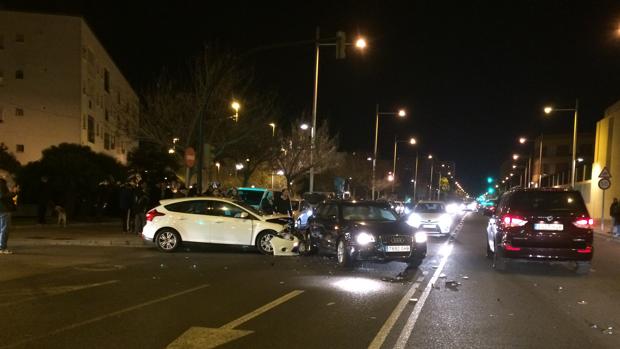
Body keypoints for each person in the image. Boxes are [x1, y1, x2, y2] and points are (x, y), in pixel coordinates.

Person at [0, 178, 16, 254]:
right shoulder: (1, 183)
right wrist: (13, 192)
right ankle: (2, 247)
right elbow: (2, 195)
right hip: (4, 208)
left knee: (2, 228)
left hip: (2, 208)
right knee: (4, 229)